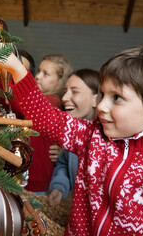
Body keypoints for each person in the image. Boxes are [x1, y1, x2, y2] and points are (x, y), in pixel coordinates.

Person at [0, 42, 143, 235]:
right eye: (103, 94)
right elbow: (45, 117)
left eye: (117, 98)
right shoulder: (92, 137)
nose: (101, 106)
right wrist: (17, 70)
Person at [48, 69, 99, 207]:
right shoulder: (72, 133)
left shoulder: (104, 140)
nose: (64, 98)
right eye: (65, 91)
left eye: (75, 91)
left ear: (96, 99)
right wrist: (59, 187)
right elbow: (64, 164)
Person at [26, 54, 73, 194]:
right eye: (39, 71)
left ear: (60, 81)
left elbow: (17, 101)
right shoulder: (45, 100)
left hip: (36, 178)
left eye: (46, 74)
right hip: (32, 176)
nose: (38, 76)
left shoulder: (51, 101)